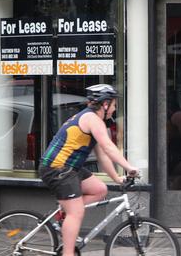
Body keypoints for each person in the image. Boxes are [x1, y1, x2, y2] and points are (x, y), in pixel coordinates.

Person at [39, 84, 139, 256]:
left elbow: (103, 155)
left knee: (99, 189)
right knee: (76, 211)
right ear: (105, 104)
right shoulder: (92, 119)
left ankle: (65, 212)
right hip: (57, 168)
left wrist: (116, 178)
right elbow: (109, 147)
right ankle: (68, 253)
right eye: (114, 105)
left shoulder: (93, 121)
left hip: (70, 168)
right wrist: (128, 167)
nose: (115, 109)